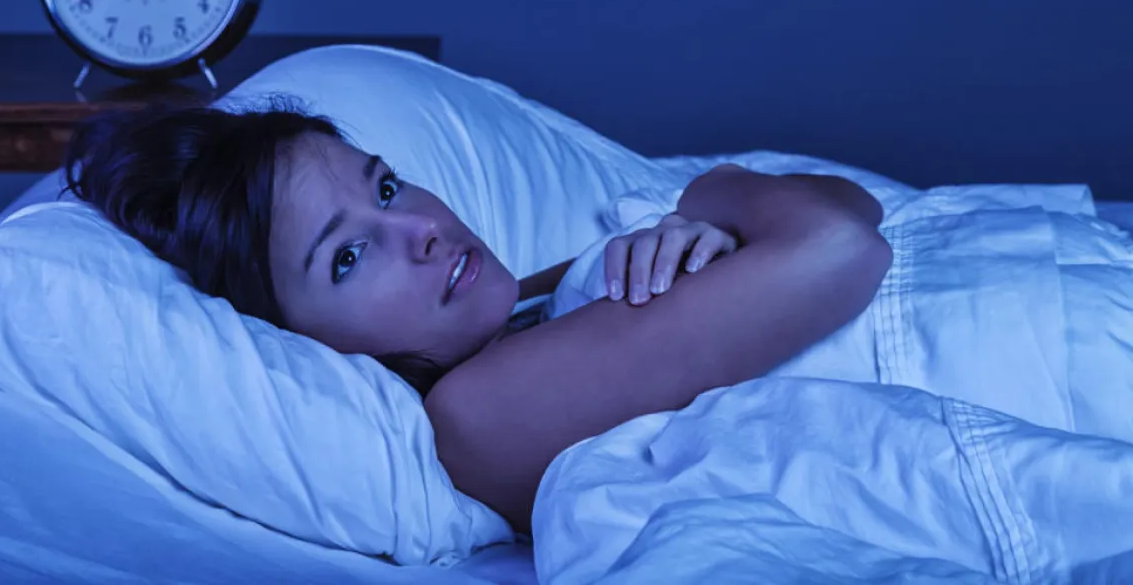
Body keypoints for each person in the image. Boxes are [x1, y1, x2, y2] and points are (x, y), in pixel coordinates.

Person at [64, 101, 892, 533]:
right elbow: (841, 246)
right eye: (347, 257)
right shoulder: (479, 412)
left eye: (386, 187)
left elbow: (863, 204)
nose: (419, 229)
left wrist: (703, 220)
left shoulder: (524, 304)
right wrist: (711, 197)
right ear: (298, 339)